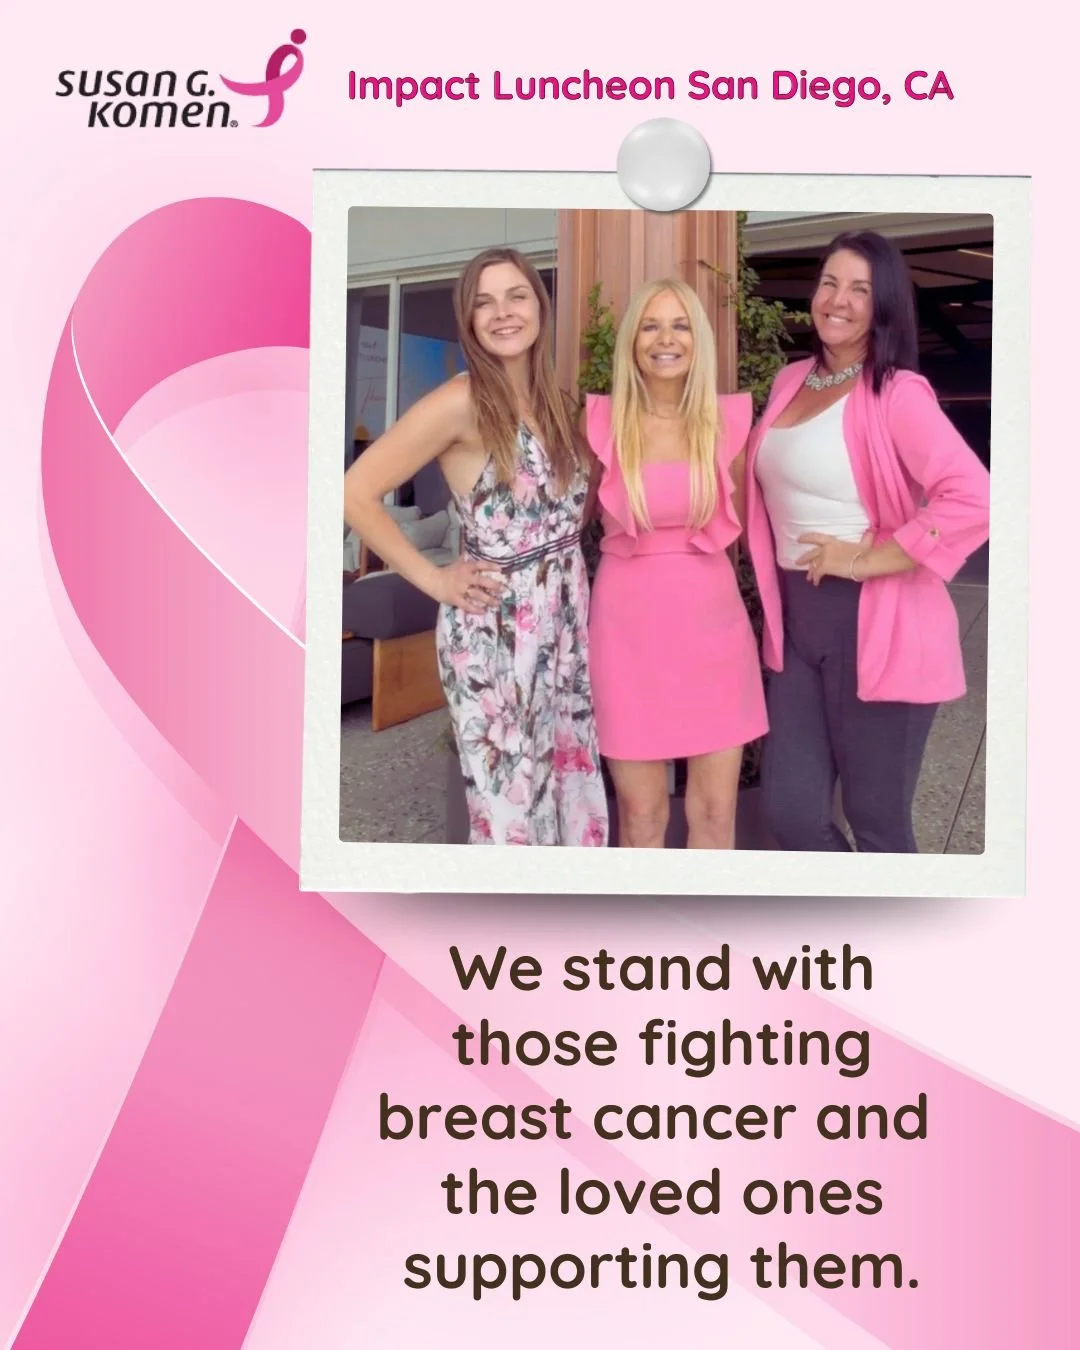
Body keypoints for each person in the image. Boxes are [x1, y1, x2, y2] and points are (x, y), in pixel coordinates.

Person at [343, 247, 608, 847]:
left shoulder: (552, 402)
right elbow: (356, 492)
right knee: (515, 806)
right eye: (484, 302)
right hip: (497, 637)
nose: (503, 313)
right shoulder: (460, 401)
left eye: (516, 296)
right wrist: (435, 580)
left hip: (563, 629)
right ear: (468, 319)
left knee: (567, 787)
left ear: (539, 307)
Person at [744, 230, 991, 853]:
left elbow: (974, 496)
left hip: (875, 620)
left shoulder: (897, 393)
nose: (839, 300)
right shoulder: (791, 379)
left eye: (861, 289)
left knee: (878, 821)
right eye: (830, 282)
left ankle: (890, 942)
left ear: (884, 306)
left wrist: (865, 558)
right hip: (797, 626)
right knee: (792, 813)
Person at [585, 278, 768, 849]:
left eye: (681, 324)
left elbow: (766, 518)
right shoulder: (599, 426)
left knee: (715, 816)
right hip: (626, 639)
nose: (666, 339)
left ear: (700, 340)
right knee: (641, 818)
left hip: (714, 637)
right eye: (651, 325)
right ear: (632, 341)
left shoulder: (729, 423)